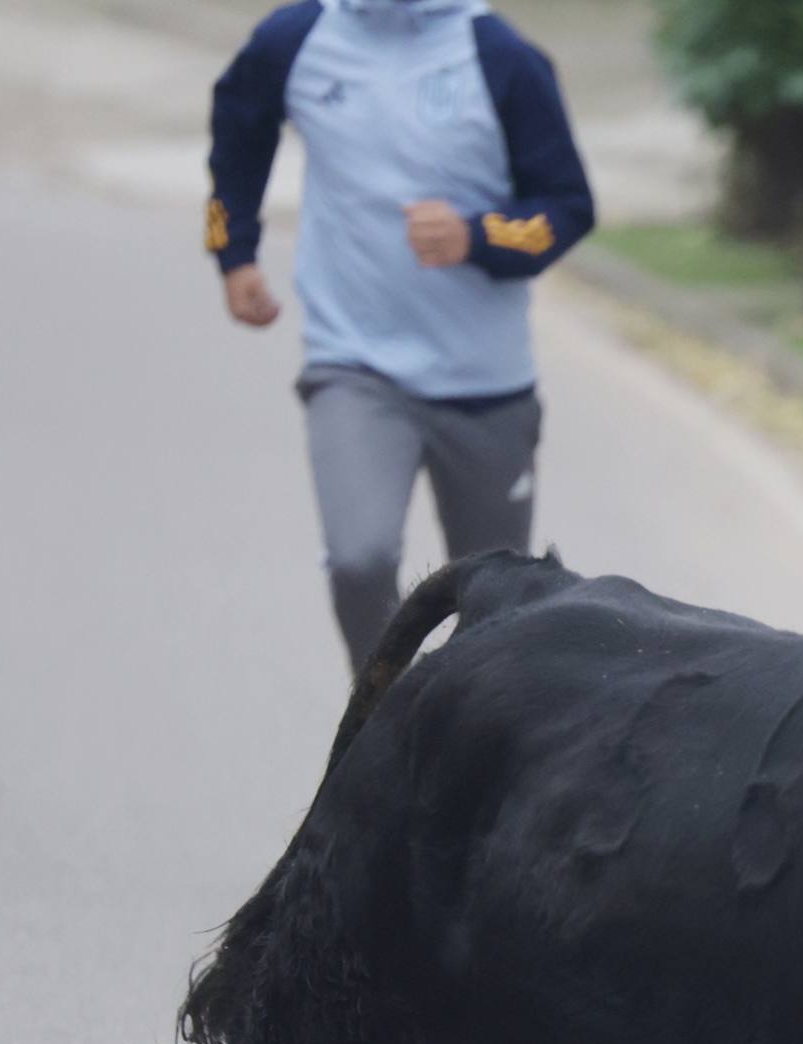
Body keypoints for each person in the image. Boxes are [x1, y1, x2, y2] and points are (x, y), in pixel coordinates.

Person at [206, 0, 595, 669]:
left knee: (496, 602)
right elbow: (239, 126)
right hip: (353, 365)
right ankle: (385, 711)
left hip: (485, 384)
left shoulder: (500, 57)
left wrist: (477, 236)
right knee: (359, 560)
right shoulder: (297, 37)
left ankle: (475, 726)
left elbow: (567, 206)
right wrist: (234, 252)